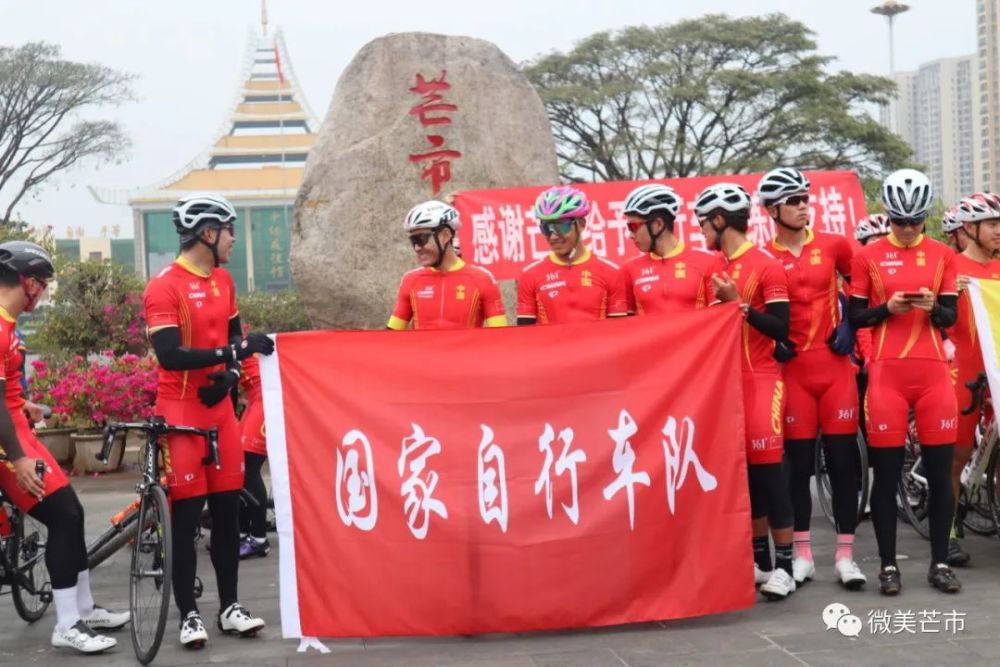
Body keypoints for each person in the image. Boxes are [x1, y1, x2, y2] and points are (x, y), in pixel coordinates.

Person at [144, 194, 273, 647]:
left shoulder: (223, 280)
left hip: (220, 413)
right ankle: (189, 615)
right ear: (207, 232)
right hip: (180, 415)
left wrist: (233, 373)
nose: (234, 239)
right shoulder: (164, 285)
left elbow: (236, 337)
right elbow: (170, 354)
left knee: (226, 514)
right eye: (229, 230)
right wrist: (233, 354)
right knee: (184, 519)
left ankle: (231, 607)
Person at [0, 241, 128, 653]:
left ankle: (84, 609)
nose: (44, 291)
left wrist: (27, 406)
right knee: (65, 515)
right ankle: (68, 623)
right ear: (27, 282)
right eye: (43, 283)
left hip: (21, 431)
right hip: (9, 446)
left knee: (70, 515)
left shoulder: (8, 324)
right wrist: (17, 459)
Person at [849, 168, 961, 595]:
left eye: (917, 222)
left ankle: (939, 564)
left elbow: (950, 317)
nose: (910, 230)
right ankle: (889, 567)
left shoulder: (942, 255)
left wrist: (934, 308)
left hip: (933, 374)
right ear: (888, 215)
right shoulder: (868, 256)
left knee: (938, 471)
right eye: (900, 221)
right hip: (886, 375)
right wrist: (886, 308)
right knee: (887, 472)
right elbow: (856, 316)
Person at [756, 168, 865, 590]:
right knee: (797, 468)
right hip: (793, 372)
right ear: (773, 209)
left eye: (806, 198)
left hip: (835, 367)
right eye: (795, 200)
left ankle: (845, 556)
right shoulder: (763, 257)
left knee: (842, 464)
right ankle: (802, 555)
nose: (805, 205)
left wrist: (851, 329)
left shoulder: (834, 245)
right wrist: (773, 343)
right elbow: (754, 312)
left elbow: (862, 288)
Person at [694, 183, 795, 600]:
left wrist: (741, 305)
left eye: (703, 223)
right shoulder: (708, 267)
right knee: (747, 478)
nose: (700, 231)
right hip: (725, 384)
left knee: (771, 474)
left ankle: (786, 566)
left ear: (720, 220)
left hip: (761, 378)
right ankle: (761, 561)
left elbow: (781, 328)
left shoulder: (766, 266)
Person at [944, 193, 1000, 567]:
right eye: (992, 224)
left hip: (996, 365)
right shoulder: (949, 267)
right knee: (957, 453)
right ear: (970, 228)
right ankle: (946, 530)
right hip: (961, 367)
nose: (998, 231)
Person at [388, 200, 507, 331]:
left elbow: (501, 338)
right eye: (413, 241)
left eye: (421, 239)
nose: (416, 248)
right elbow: (390, 336)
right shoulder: (410, 280)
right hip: (422, 351)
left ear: (445, 235)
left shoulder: (482, 279)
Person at [517, 186, 627, 324]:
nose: (553, 236)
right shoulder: (530, 275)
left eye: (561, 227)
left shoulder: (611, 272)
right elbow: (526, 338)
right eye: (546, 228)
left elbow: (621, 335)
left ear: (581, 224)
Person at [618, 184, 719, 314]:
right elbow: (624, 327)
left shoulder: (708, 262)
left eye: (633, 227)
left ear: (658, 224)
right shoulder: (628, 270)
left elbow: (721, 320)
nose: (630, 235)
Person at [238, 350, 269, 559]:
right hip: (253, 398)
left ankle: (259, 539)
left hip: (265, 397)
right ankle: (240, 533)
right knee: (237, 466)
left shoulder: (224, 333)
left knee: (249, 467)